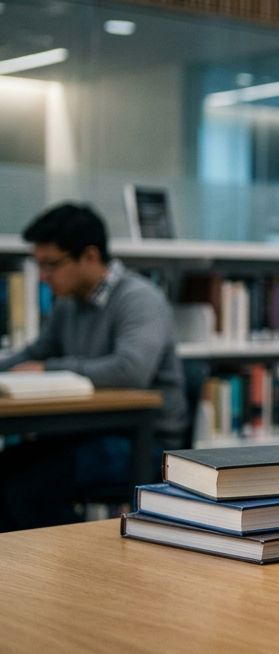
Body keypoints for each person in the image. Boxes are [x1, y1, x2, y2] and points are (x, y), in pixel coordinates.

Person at [0, 203, 185, 530]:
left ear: (89, 256)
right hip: (83, 431)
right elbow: (35, 353)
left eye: (51, 265)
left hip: (143, 441)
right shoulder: (68, 303)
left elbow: (130, 370)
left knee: (25, 492)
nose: (43, 277)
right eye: (39, 265)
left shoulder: (139, 298)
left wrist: (48, 370)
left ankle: (75, 567)